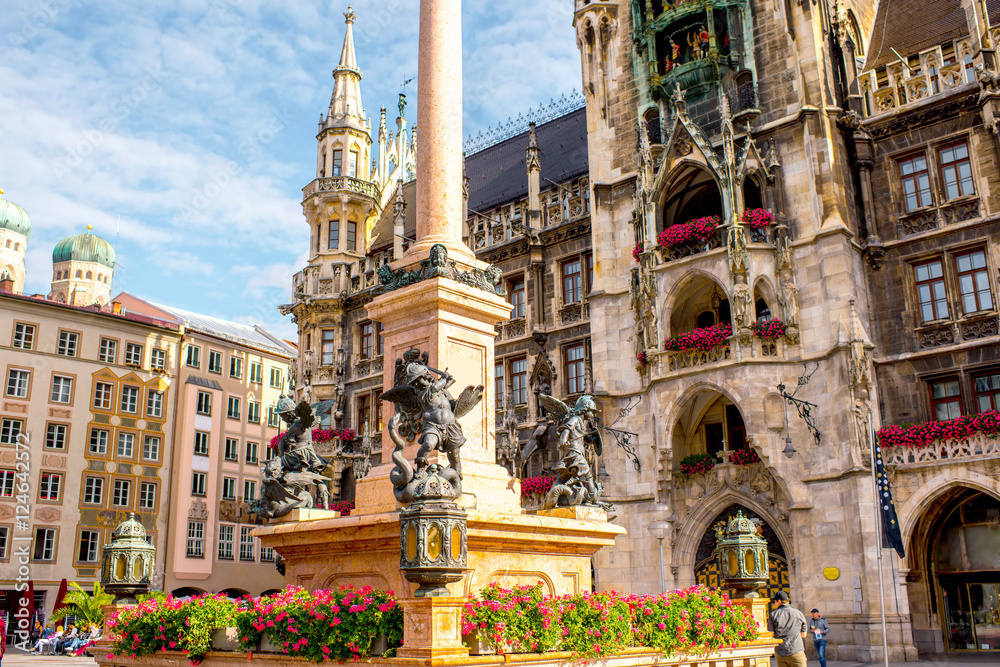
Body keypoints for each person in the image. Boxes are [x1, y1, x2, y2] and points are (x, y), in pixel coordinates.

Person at [768, 591, 807, 667]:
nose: (775, 604)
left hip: (780, 653)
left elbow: (771, 634)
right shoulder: (799, 614)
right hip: (796, 651)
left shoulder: (773, 614)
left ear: (779, 601)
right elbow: (803, 635)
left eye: (775, 602)